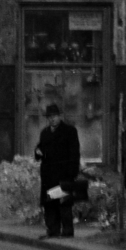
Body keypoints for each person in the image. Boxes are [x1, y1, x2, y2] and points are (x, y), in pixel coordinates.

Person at [35, 102, 81, 238]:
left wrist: (72, 173)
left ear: (60, 116)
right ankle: (53, 230)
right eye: (49, 117)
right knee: (49, 204)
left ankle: (67, 231)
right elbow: (39, 149)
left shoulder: (69, 131)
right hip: (48, 174)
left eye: (54, 116)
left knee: (64, 204)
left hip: (63, 173)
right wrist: (37, 153)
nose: (52, 119)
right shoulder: (45, 133)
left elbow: (74, 154)